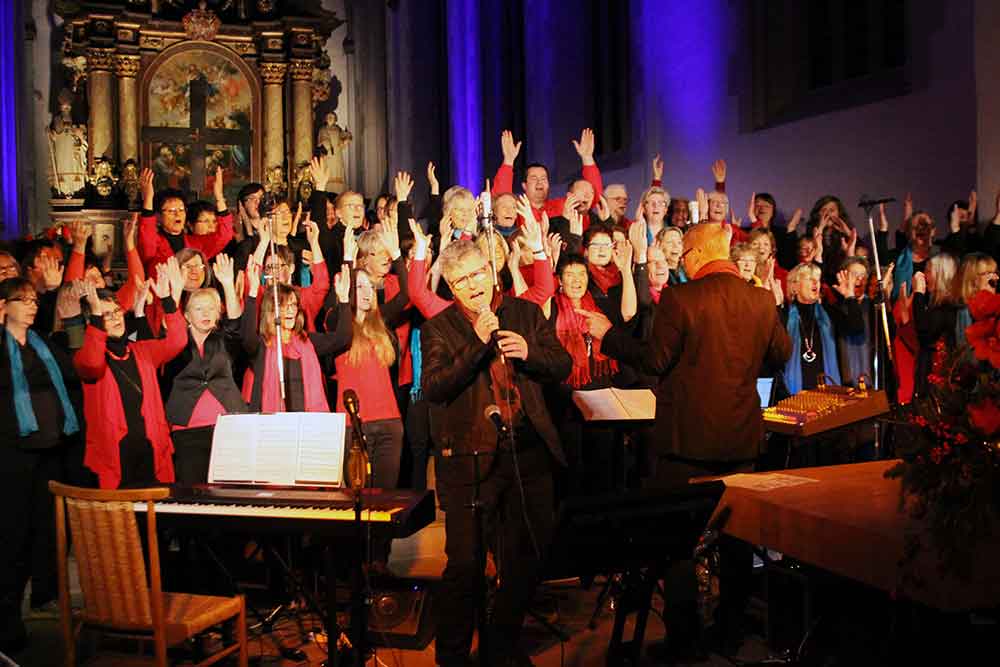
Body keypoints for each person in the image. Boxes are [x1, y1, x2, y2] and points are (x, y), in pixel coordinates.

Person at [577, 221, 792, 655]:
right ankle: (730, 630)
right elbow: (780, 355)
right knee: (737, 539)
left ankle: (685, 637)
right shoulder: (761, 298)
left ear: (693, 254)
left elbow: (655, 360)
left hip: (685, 443)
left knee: (675, 540)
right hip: (742, 440)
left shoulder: (682, 296)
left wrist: (609, 336)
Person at [421, 240, 571, 667]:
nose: (473, 286)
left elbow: (560, 364)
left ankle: (501, 643)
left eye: (477, 274)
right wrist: (477, 342)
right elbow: (435, 387)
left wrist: (531, 353)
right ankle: (452, 655)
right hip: (470, 460)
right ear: (451, 286)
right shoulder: (439, 328)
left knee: (529, 556)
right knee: (465, 565)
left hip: (529, 453)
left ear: (491, 270)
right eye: (462, 280)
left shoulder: (525, 312)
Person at [0, 277, 81, 652]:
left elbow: (73, 368)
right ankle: (7, 618)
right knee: (12, 537)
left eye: (34, 300)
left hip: (50, 451)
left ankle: (42, 599)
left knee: (45, 532)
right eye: (23, 300)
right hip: (12, 456)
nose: (32, 306)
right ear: (3, 307)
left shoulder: (41, 343)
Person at [74, 258, 187, 489]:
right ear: (93, 322)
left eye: (116, 311)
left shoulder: (141, 350)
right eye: (106, 315)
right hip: (116, 459)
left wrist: (167, 300)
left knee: (157, 523)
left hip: (152, 453)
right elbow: (93, 364)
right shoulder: (86, 357)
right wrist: (95, 318)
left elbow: (178, 340)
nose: (116, 317)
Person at [137, 166, 233, 278]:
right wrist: (148, 199)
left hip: (192, 295)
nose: (177, 214)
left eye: (181, 210)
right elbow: (147, 240)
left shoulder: (196, 244)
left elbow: (225, 235)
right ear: (158, 216)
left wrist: (219, 197)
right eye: (171, 210)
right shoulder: (155, 244)